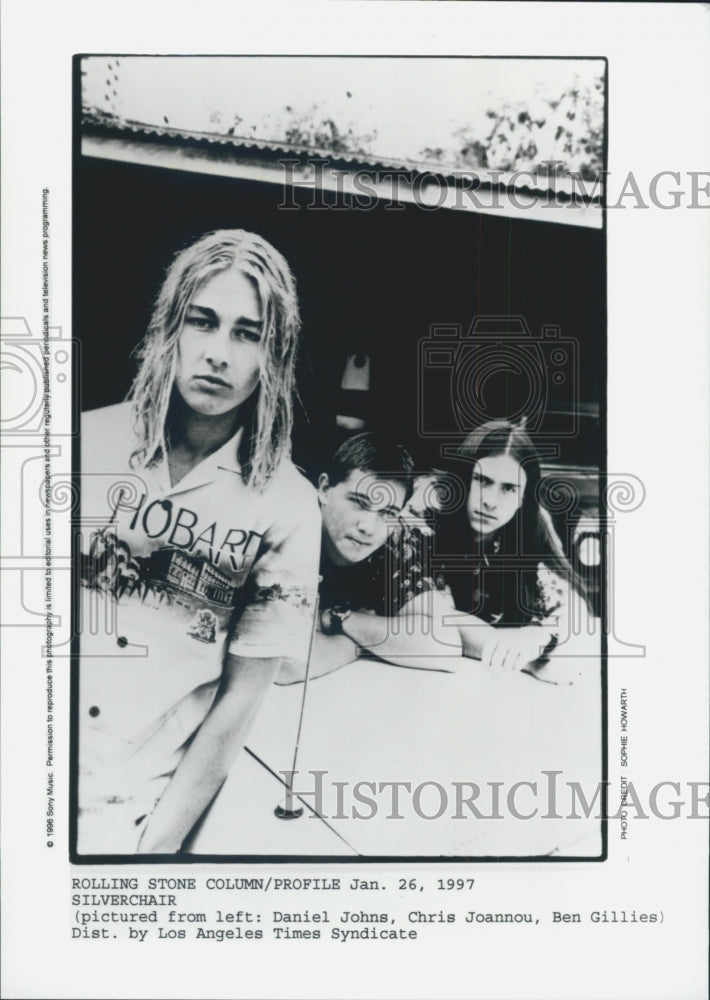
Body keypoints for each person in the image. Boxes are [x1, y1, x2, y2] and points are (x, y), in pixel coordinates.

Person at [78, 229, 321, 854]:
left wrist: (152, 849)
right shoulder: (81, 443)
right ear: (170, 328)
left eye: (248, 333)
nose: (218, 353)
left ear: (276, 355)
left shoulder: (288, 504)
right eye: (203, 322)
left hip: (127, 809)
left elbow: (241, 700)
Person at [276, 433, 462, 685]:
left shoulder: (392, 541)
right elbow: (283, 663)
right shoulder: (289, 527)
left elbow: (446, 645)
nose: (368, 526)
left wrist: (341, 620)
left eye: (387, 512)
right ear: (324, 488)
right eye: (358, 503)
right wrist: (369, 643)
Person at [435, 419, 594, 682]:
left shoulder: (530, 524)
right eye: (482, 480)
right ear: (463, 478)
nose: (490, 501)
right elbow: (434, 620)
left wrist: (540, 635)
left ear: (523, 499)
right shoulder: (428, 512)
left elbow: (576, 612)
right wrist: (529, 660)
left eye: (509, 489)